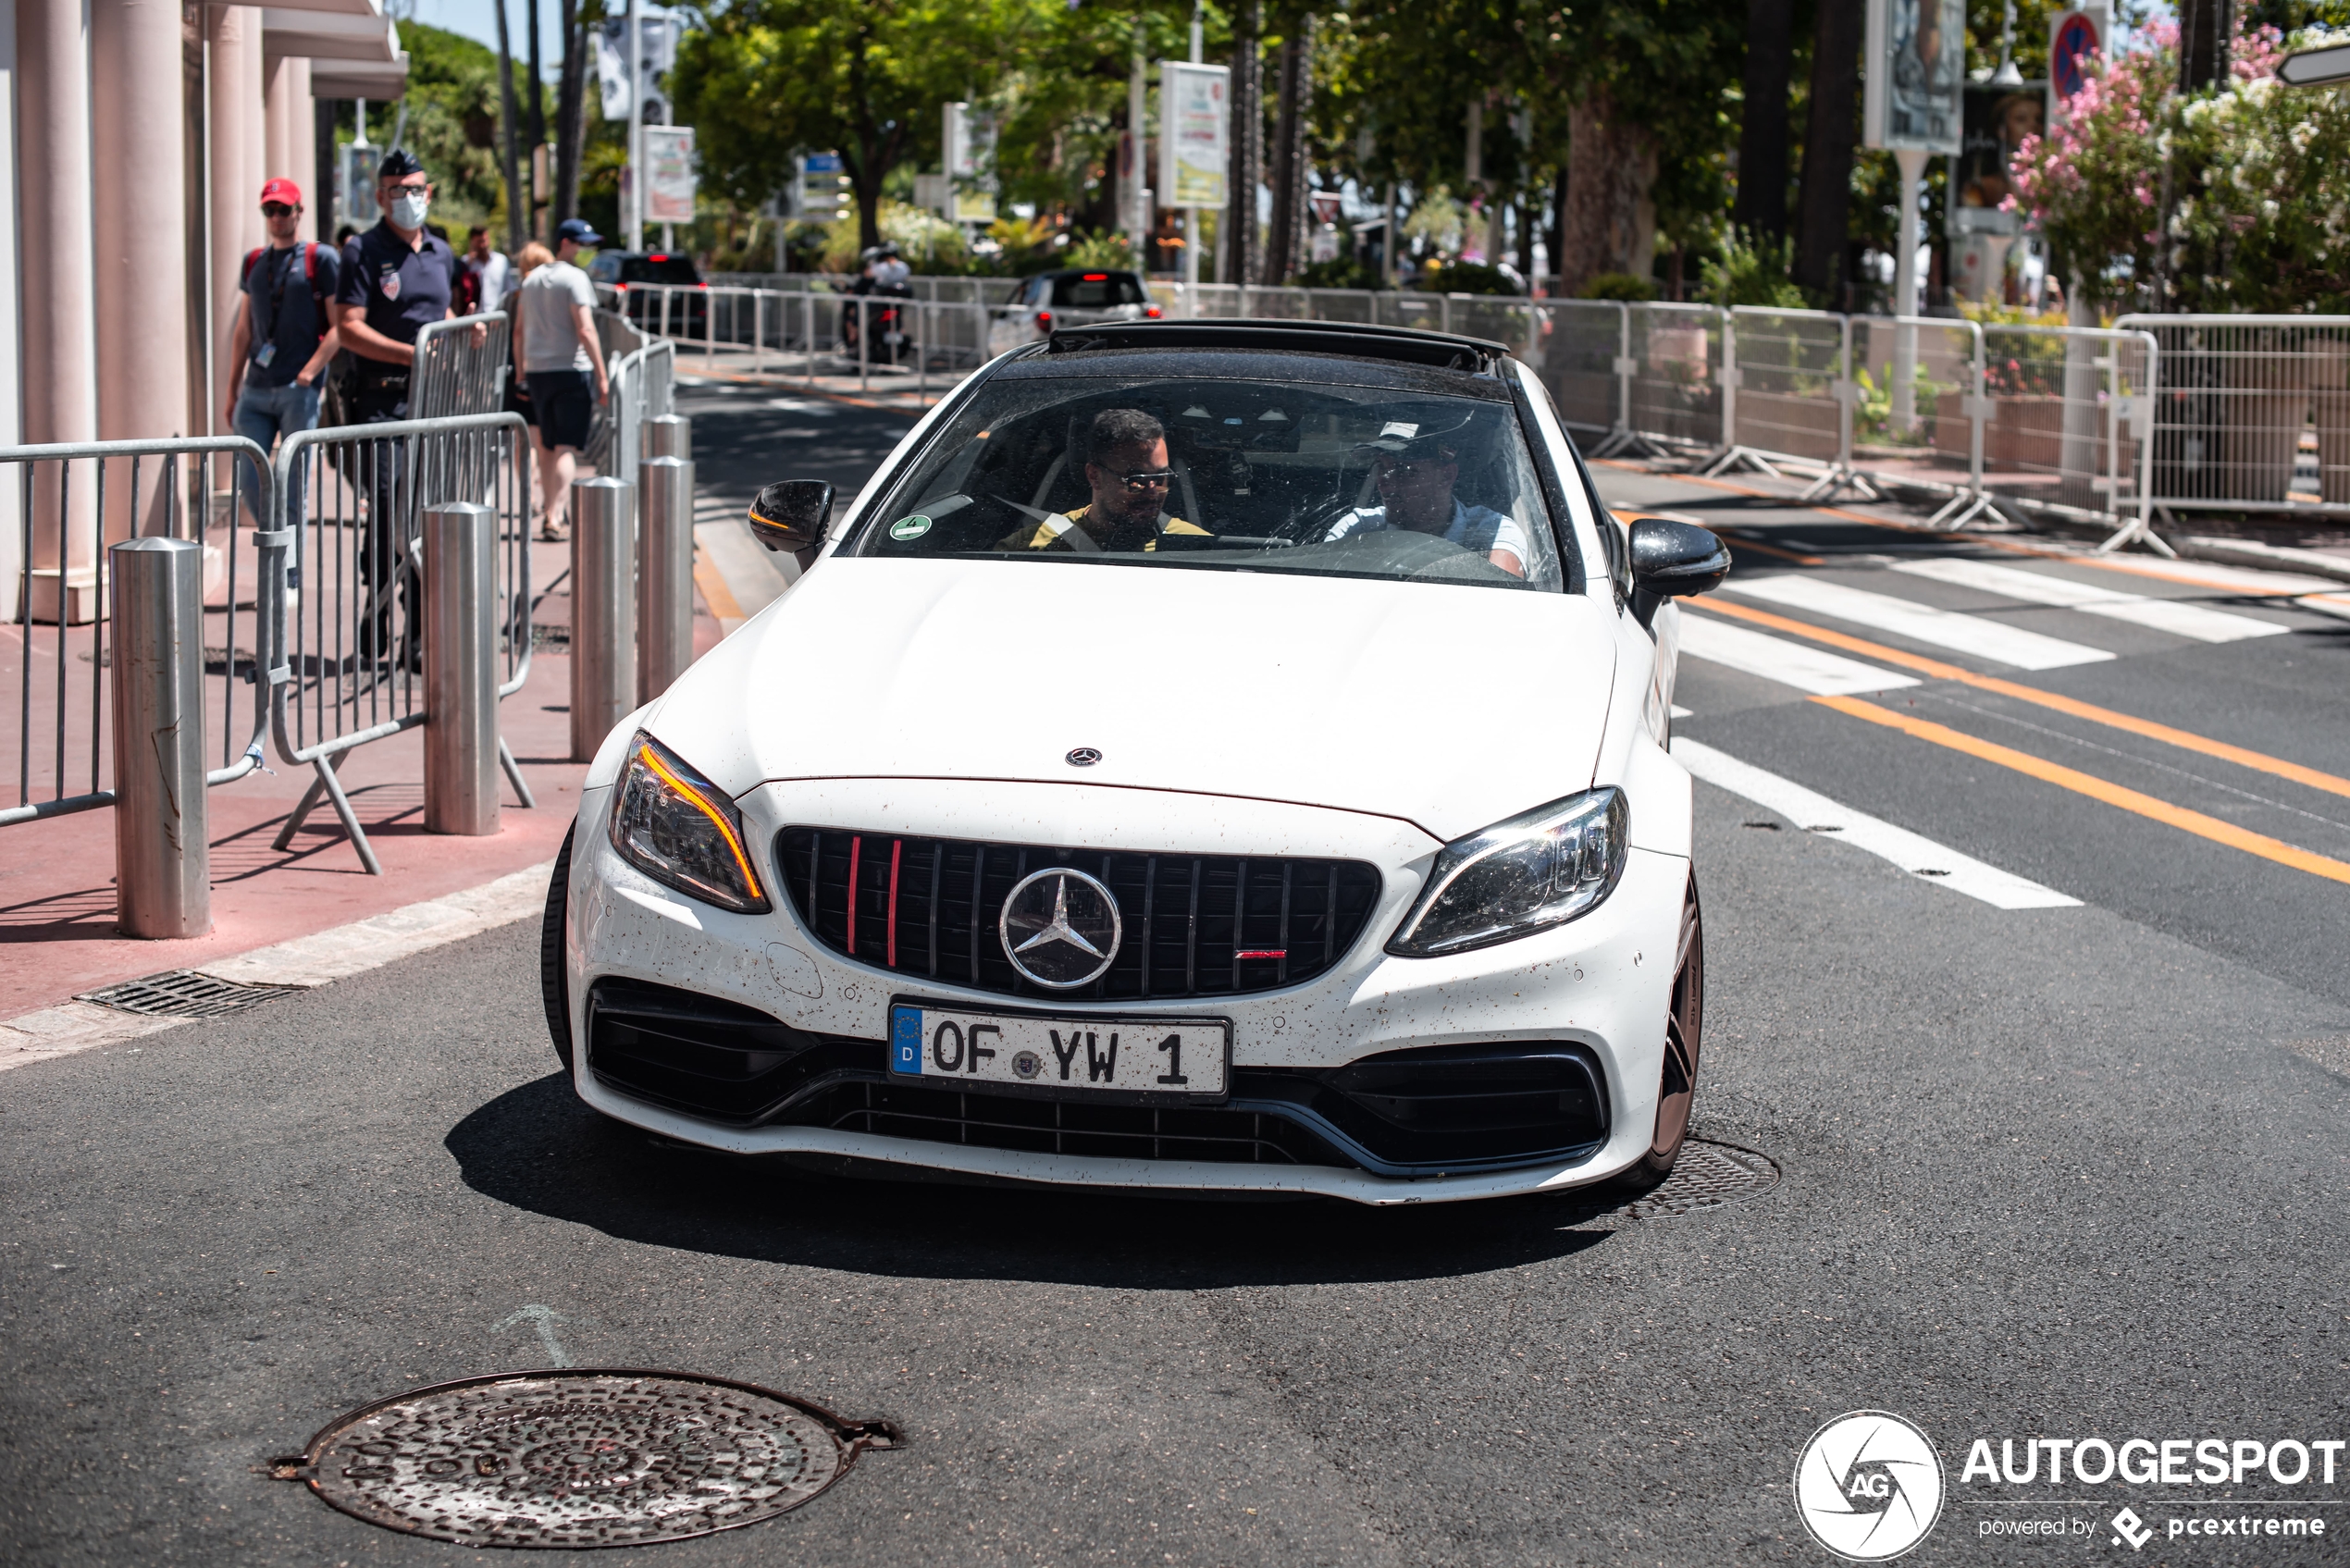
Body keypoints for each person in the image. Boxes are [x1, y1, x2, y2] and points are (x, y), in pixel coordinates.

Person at [329, 147, 464, 662]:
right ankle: (376, 617)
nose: (410, 198)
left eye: (417, 189)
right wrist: (415, 356)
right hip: (381, 404)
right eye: (399, 190)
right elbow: (349, 326)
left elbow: (438, 308)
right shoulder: (362, 251)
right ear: (381, 195)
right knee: (389, 512)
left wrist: (463, 331)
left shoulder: (440, 252)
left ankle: (417, 634)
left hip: (432, 405)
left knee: (424, 516)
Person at [223, 177, 339, 535]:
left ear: (298, 212)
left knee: (292, 490)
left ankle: (288, 583)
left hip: (296, 391)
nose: (276, 217)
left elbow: (340, 327)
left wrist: (309, 374)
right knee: (250, 484)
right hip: (256, 388)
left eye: (283, 209)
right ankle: (277, 558)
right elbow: (244, 329)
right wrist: (232, 388)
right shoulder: (254, 261)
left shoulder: (320, 258)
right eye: (270, 210)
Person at [1321, 420, 1530, 577]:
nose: (1386, 483)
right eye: (1383, 468)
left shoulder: (1490, 533)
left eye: (1405, 471)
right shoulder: (1359, 529)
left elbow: (1502, 607)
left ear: (1446, 476)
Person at [513, 218, 612, 542]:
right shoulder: (576, 278)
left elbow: (519, 330)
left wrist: (521, 372)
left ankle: (547, 506)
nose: (588, 251)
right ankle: (555, 515)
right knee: (566, 447)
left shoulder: (531, 280)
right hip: (572, 369)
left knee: (546, 444)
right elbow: (585, 329)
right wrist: (601, 374)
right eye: (583, 244)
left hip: (538, 371)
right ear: (566, 243)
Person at [996, 408, 1211, 553]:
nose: (1153, 493)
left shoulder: (1197, 549)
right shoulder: (1029, 548)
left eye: (1161, 478)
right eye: (1136, 481)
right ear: (1094, 476)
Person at [462, 225, 513, 315]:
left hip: (497, 317)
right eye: (479, 242)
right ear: (472, 242)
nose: (483, 245)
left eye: (485, 241)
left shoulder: (501, 261)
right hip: (474, 318)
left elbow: (509, 290)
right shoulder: (466, 263)